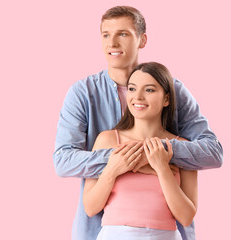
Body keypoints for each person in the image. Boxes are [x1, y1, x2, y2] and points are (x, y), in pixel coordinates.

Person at [53, 5, 222, 240]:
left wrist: (158, 157)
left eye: (122, 34)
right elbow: (63, 161)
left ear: (142, 40)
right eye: (105, 35)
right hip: (98, 230)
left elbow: (213, 153)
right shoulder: (83, 93)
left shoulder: (174, 90)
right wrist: (124, 159)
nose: (112, 43)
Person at [83, 62, 198, 240]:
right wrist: (113, 170)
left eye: (149, 90)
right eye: (132, 88)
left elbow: (186, 216)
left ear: (166, 99)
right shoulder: (107, 140)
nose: (138, 97)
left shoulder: (182, 147)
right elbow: (90, 208)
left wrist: (162, 169)